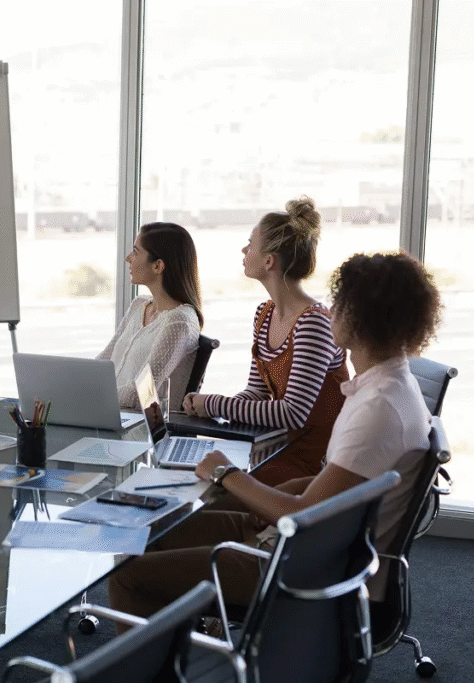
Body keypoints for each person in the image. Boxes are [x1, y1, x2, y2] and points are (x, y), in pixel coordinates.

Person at [109, 251, 442, 629]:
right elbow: (335, 484)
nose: (331, 311)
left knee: (128, 575)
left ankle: (169, 650)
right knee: (159, 525)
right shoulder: (387, 387)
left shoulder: (378, 410)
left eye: (340, 303)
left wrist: (226, 475)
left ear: (363, 318)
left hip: (295, 565)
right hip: (304, 543)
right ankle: (186, 644)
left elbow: (300, 513)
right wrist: (254, 492)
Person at [183, 197, 348, 486]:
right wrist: (207, 406)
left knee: (203, 490)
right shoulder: (264, 314)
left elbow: (293, 413)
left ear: (269, 261)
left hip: (311, 466)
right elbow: (257, 393)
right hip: (275, 450)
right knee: (194, 479)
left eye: (250, 244)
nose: (244, 250)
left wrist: (214, 404)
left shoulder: (313, 323)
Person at [97, 222, 204, 411]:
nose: (128, 258)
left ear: (158, 266)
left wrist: (92, 394)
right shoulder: (139, 305)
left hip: (140, 424)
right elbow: (105, 360)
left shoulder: (179, 322)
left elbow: (141, 394)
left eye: (135, 252)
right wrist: (71, 380)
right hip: (112, 412)